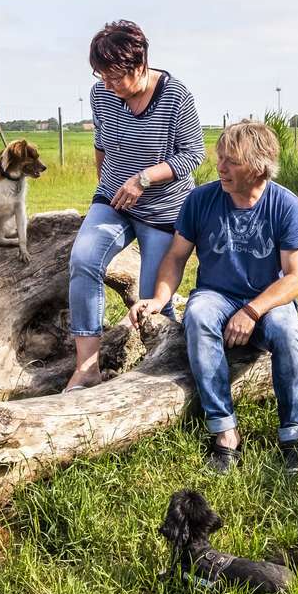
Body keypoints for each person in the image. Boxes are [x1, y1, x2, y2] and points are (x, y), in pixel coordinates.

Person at [129, 120, 298, 474]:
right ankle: (225, 431)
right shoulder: (201, 199)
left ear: (259, 166)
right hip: (215, 294)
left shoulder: (286, 206)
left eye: (232, 160)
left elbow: (295, 280)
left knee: (288, 335)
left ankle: (292, 436)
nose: (221, 167)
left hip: (268, 301)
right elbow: (176, 256)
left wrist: (251, 310)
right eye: (220, 158)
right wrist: (158, 298)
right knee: (198, 317)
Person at [65, 20, 205, 391]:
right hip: (114, 200)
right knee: (83, 259)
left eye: (115, 78)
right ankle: (87, 367)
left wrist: (144, 178)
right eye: (102, 77)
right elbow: (101, 145)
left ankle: (168, 369)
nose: (107, 86)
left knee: (152, 300)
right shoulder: (102, 94)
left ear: (140, 65)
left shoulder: (176, 96)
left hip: (163, 210)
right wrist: (105, 192)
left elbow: (193, 155)